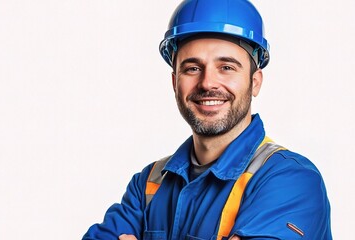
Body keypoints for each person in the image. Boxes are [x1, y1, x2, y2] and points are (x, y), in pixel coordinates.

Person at [83, 0, 332, 239]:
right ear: (174, 82)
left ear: (254, 82)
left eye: (226, 67)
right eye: (192, 68)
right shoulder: (149, 183)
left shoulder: (290, 181)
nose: (207, 83)